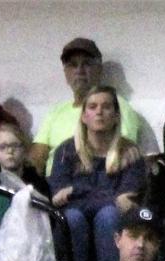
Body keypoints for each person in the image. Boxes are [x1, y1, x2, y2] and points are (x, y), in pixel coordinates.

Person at [49, 86, 145, 261]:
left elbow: (125, 203)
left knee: (108, 216)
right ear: (84, 116)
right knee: (73, 217)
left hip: (113, 222)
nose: (99, 111)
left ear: (117, 116)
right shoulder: (66, 151)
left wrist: (75, 191)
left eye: (106, 106)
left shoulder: (130, 152)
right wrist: (106, 195)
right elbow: (57, 198)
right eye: (92, 107)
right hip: (73, 223)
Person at [30, 38, 148, 176]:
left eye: (86, 64)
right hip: (52, 187)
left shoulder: (116, 106)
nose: (79, 70)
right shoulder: (56, 112)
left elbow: (119, 153)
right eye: (73, 65)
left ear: (99, 69)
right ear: (65, 73)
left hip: (95, 184)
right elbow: (37, 156)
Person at [0, 123, 50, 197]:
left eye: (15, 145)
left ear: (24, 151)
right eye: (3, 147)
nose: (10, 151)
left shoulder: (38, 181)